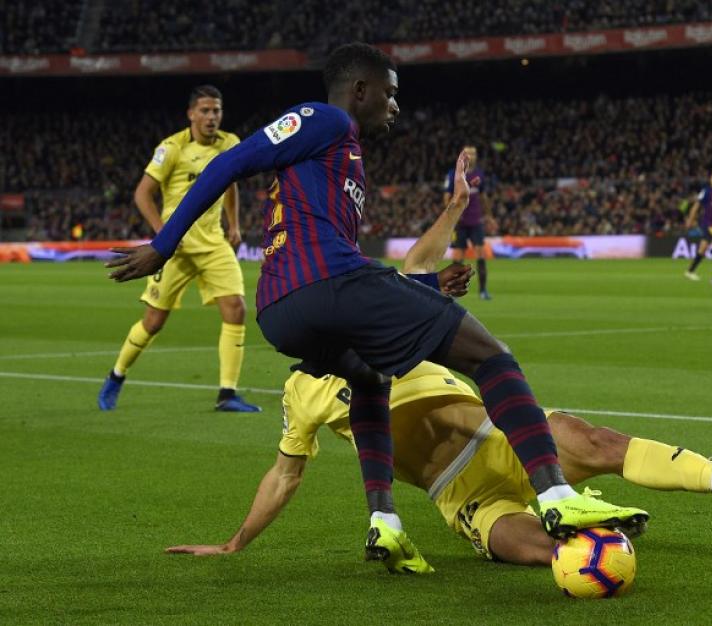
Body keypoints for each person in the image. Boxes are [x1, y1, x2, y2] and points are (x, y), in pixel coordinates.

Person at [107, 43, 646, 572]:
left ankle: (384, 522)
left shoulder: (342, 158)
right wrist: (164, 243)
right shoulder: (324, 120)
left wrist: (428, 283)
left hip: (283, 309)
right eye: (389, 95)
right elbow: (230, 162)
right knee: (492, 358)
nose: (395, 106)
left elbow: (343, 268)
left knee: (368, 378)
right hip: (322, 284)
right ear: (359, 91)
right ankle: (555, 495)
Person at [165, 205, 712, 569]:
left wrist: (456, 203)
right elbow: (284, 475)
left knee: (590, 438)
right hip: (456, 489)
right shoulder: (301, 391)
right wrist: (234, 543)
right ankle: (593, 545)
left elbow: (415, 264)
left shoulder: (385, 313)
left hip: (500, 436)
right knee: (532, 549)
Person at [97, 85, 260, 413]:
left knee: (236, 308)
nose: (211, 116)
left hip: (213, 243)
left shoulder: (230, 144)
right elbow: (142, 193)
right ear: (191, 114)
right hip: (176, 248)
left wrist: (235, 224)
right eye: (205, 110)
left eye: (216, 110)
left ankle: (227, 393)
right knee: (154, 321)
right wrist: (164, 236)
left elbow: (231, 186)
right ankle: (117, 375)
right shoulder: (171, 148)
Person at [443, 144, 492, 299]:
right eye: (468, 153)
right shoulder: (453, 174)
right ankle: (452, 292)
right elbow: (446, 198)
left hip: (476, 221)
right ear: (463, 156)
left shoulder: (480, 174)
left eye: (474, 153)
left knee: (481, 254)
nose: (471, 156)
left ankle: (483, 291)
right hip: (460, 223)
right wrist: (452, 216)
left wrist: (489, 215)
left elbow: (483, 197)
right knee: (458, 257)